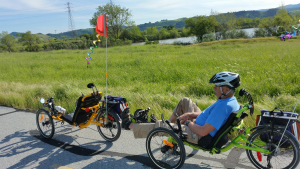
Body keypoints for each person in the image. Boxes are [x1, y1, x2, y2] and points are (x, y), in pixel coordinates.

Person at [121, 71, 241, 141]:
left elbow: (204, 132)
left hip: (198, 134)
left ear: (225, 89)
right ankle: (169, 124)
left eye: (217, 86)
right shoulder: (229, 100)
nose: (214, 88)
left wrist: (188, 123)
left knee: (162, 126)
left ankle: (130, 125)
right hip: (200, 124)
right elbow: (209, 114)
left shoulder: (222, 107)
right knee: (185, 101)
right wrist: (190, 114)